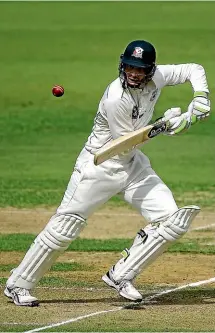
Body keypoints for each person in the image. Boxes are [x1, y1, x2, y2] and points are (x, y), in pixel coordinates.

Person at [4, 40, 210, 306]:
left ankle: (121, 275)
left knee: (172, 220)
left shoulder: (157, 77)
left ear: (150, 70)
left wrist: (200, 96)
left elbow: (194, 69)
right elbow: (126, 141)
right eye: (129, 67)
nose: (134, 74)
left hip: (132, 164)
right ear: (122, 65)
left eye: (140, 69)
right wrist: (171, 124)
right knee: (65, 227)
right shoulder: (115, 98)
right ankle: (18, 284)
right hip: (99, 165)